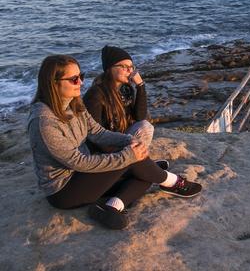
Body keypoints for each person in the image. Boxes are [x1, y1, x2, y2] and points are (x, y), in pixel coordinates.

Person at [27, 55, 202, 230]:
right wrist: (127, 155)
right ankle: (173, 182)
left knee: (143, 171)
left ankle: (112, 206)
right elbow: (77, 162)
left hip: (83, 176)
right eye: (74, 79)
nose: (80, 82)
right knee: (138, 164)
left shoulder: (74, 103)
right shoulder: (44, 122)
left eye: (82, 76)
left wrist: (129, 140)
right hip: (64, 190)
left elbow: (97, 132)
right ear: (53, 83)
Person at [84, 46, 155, 152]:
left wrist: (140, 86)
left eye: (131, 67)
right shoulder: (96, 94)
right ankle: (129, 162)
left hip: (121, 138)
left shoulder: (126, 89)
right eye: (124, 66)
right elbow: (94, 135)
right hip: (102, 145)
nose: (129, 71)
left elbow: (140, 117)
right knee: (145, 128)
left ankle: (133, 160)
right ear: (110, 69)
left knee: (145, 126)